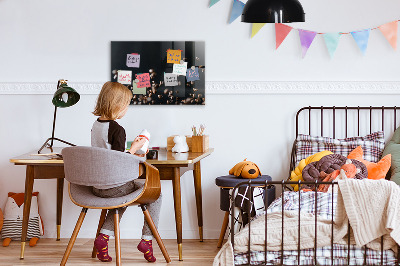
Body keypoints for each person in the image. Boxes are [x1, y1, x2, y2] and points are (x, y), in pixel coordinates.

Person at [91, 81, 161, 263]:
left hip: (97, 186)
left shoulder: (96, 125)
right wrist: (135, 149)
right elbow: (118, 161)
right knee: (156, 194)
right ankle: (147, 240)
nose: (127, 109)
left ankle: (103, 238)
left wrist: (130, 149)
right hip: (114, 186)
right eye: (126, 105)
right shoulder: (117, 129)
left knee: (122, 198)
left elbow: (108, 154)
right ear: (117, 105)